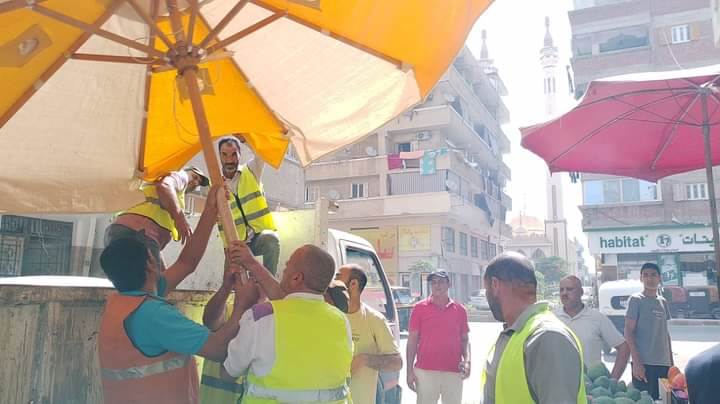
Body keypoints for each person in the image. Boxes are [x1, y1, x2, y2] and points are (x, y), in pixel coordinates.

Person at [97, 187, 260, 404]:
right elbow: (219, 348)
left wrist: (211, 210)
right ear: (150, 263)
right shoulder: (153, 315)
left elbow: (187, 262)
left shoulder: (124, 302)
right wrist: (242, 305)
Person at [221, 243, 353, 403]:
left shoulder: (261, 317)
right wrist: (252, 264)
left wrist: (240, 306)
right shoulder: (340, 320)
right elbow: (293, 306)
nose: (283, 270)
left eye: (287, 266)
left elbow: (228, 373)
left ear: (296, 278)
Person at [482, 252, 586, 404]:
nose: (486, 297)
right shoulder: (516, 334)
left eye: (486, 290)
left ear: (495, 284)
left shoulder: (548, 337)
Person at [105, 166, 210, 270]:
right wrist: (180, 219)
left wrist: (162, 270)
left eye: (198, 183)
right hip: (139, 232)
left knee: (140, 276)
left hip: (124, 230)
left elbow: (151, 243)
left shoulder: (169, 190)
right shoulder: (181, 175)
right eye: (194, 177)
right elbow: (164, 186)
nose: (195, 182)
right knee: (147, 278)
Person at [336, 264, 402, 404]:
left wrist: (364, 359)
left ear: (353, 284)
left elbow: (397, 362)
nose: (333, 282)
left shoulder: (374, 319)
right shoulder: (329, 316)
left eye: (338, 277)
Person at [218, 135, 279, 274]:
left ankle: (268, 284)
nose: (229, 160)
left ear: (240, 154)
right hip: (235, 244)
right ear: (219, 156)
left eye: (234, 154)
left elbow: (262, 152)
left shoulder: (252, 170)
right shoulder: (215, 184)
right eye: (224, 155)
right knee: (230, 282)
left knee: (271, 239)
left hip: (259, 237)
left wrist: (244, 139)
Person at [406, 271, 470, 404]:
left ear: (449, 284)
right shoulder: (419, 308)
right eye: (433, 282)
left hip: (453, 372)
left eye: (441, 282)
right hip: (425, 371)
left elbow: (465, 340)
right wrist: (409, 371)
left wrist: (467, 361)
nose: (437, 285)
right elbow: (412, 341)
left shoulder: (460, 310)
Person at [555, 275, 630, 380]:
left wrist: (612, 381)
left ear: (581, 292)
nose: (564, 293)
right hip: (559, 384)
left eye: (569, 289)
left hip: (590, 386)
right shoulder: (552, 319)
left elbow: (624, 348)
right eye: (561, 290)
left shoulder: (597, 318)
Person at [624, 262, 673, 400]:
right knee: (644, 400)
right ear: (641, 278)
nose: (650, 278)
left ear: (659, 278)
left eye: (653, 275)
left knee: (664, 400)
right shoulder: (636, 300)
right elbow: (628, 332)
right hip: (644, 365)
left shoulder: (663, 302)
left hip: (663, 364)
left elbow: (665, 334)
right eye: (645, 275)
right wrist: (637, 363)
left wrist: (671, 363)